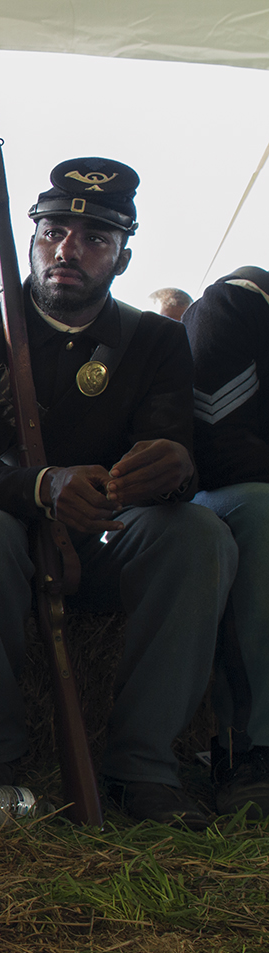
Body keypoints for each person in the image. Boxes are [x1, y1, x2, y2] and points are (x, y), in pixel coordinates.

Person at [0, 158, 235, 830]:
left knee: (198, 534)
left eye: (95, 238)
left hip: (111, 538)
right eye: (53, 232)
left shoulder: (156, 341)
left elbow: (171, 451)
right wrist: (45, 487)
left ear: (123, 257)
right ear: (32, 236)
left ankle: (146, 768)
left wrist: (171, 467)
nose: (68, 249)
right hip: (10, 541)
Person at [183, 266, 269, 817]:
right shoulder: (238, 306)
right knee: (261, 509)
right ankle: (248, 749)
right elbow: (218, 449)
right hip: (218, 500)